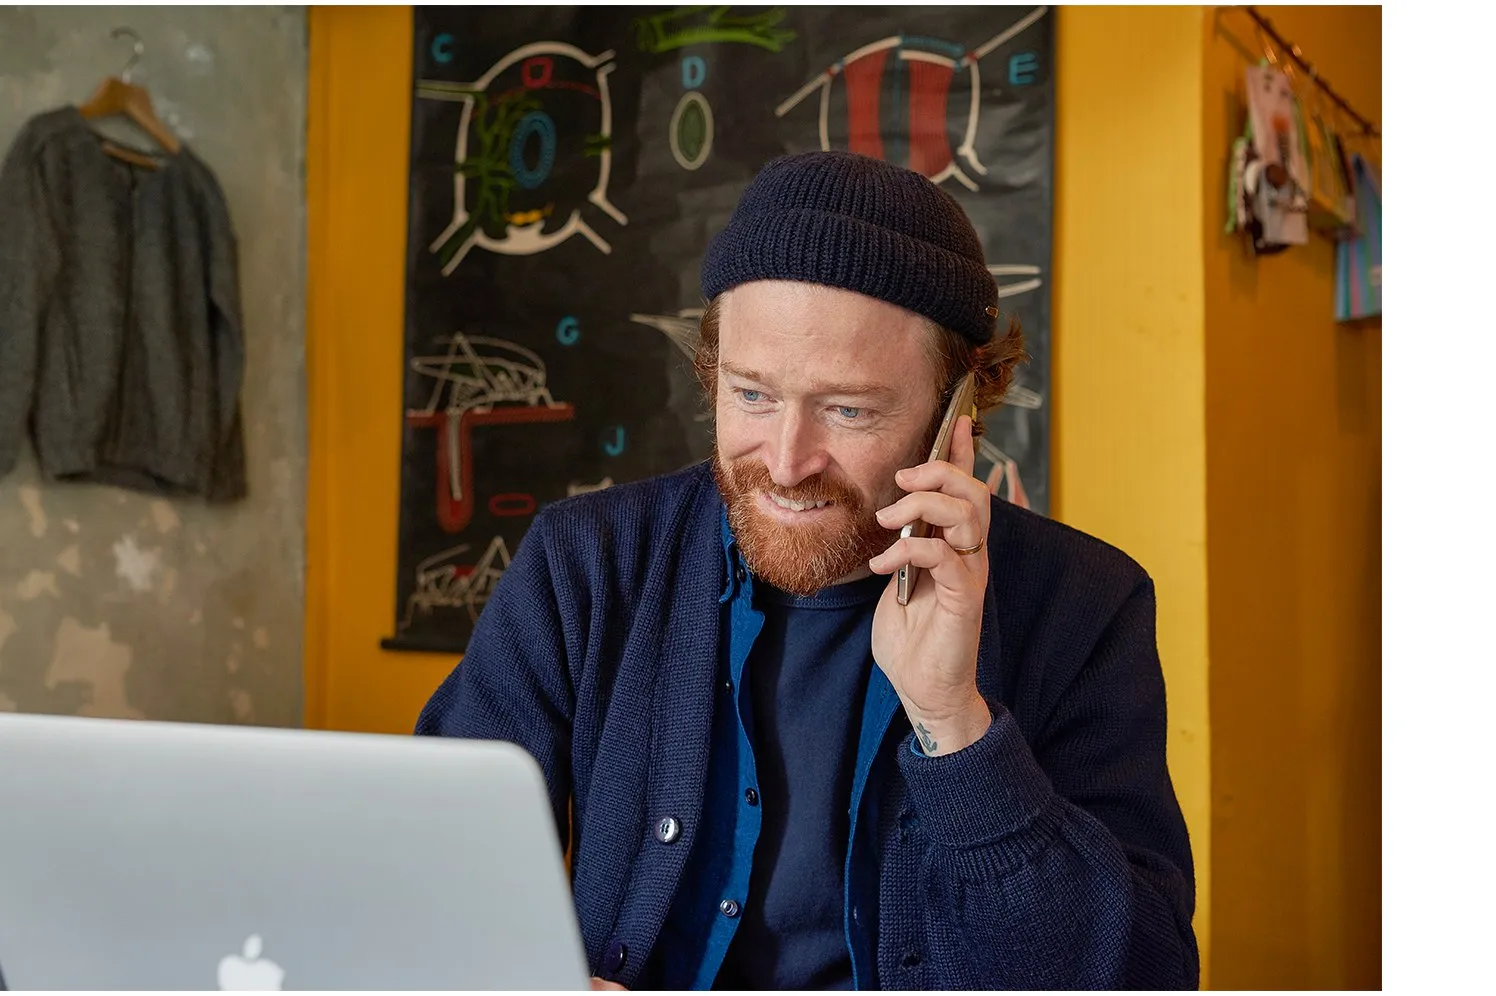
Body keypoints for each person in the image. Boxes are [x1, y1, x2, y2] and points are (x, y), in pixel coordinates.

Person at [415, 150, 1198, 991]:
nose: (787, 463)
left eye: (847, 409)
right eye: (752, 395)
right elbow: (428, 882)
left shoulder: (1084, 606)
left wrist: (956, 725)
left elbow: (1145, 977)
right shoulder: (586, 565)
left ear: (957, 414)